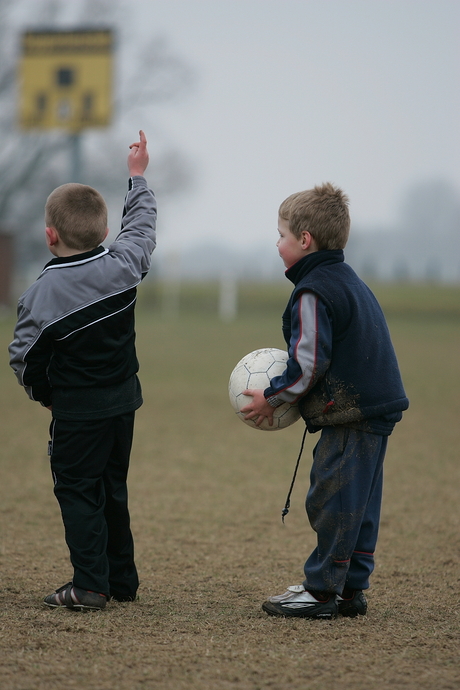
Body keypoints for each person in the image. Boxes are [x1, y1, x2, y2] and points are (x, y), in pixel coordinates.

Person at [241, 183, 409, 619]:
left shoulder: (314, 290)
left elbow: (309, 362)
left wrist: (272, 399)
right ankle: (351, 590)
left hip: (351, 413)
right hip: (374, 407)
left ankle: (320, 592)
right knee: (360, 502)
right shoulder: (346, 278)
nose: (276, 243)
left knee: (332, 498)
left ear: (304, 240)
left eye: (280, 234)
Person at [9, 130, 156, 611]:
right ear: (103, 230)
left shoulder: (40, 296)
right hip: (123, 405)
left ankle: (90, 586)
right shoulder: (125, 265)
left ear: (50, 235)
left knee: (77, 490)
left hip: (76, 413)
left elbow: (24, 358)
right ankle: (121, 580)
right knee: (112, 486)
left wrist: (45, 394)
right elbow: (142, 228)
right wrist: (137, 177)